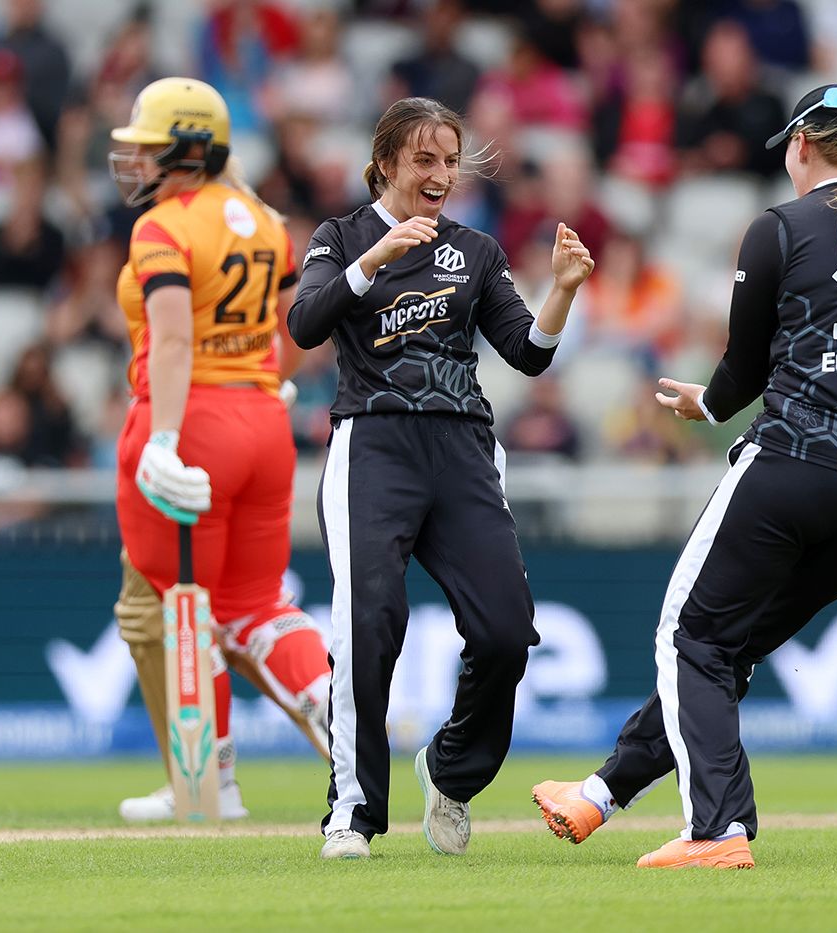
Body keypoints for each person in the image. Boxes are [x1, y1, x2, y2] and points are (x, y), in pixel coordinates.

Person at [532, 82, 837, 869]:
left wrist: (711, 403)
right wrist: (727, 395)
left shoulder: (781, 227)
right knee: (723, 651)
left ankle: (718, 829)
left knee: (689, 634)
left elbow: (743, 367)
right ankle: (599, 794)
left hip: (796, 464)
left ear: (801, 144)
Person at [287, 96, 595, 861]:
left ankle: (450, 770)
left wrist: (561, 289)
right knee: (370, 622)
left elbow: (527, 353)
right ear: (386, 161)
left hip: (462, 447)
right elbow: (304, 323)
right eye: (425, 159)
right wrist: (377, 259)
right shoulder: (342, 236)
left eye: (450, 160)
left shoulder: (477, 250)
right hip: (374, 444)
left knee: (504, 632)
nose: (441, 174)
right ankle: (352, 814)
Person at [106, 77, 334, 822]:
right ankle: (334, 697)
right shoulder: (266, 221)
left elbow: (172, 338)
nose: (137, 159)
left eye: (149, 145)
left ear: (185, 148)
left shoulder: (163, 226)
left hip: (189, 416)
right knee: (257, 602)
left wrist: (165, 438)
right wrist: (264, 382)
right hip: (262, 420)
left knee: (185, 607)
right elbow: (296, 329)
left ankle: (209, 785)